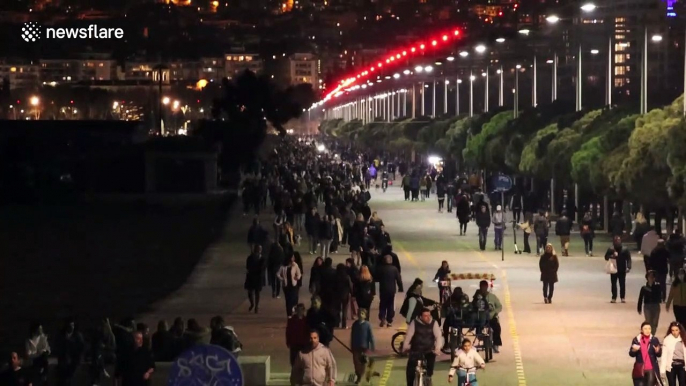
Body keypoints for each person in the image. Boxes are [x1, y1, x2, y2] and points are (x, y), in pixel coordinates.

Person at [403, 308, 443, 386]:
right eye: (425, 316)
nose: (428, 317)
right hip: (416, 350)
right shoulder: (414, 323)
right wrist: (405, 347)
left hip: (429, 350)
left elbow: (438, 336)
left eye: (429, 315)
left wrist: (438, 348)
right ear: (420, 317)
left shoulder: (434, 323)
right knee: (410, 370)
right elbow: (409, 336)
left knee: (430, 368)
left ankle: (428, 377)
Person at [474, 280, 503, 353]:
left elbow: (499, 307)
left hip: (491, 317)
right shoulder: (477, 296)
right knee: (477, 325)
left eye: (484, 287)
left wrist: (494, 312)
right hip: (480, 317)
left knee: (497, 327)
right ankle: (480, 337)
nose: (483, 289)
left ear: (487, 287)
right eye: (481, 287)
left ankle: (496, 344)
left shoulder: (492, 297)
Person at [629, 322, 661, 386]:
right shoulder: (636, 340)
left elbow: (659, 355)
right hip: (640, 369)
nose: (647, 330)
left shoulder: (654, 340)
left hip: (651, 369)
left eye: (649, 328)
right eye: (645, 329)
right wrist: (634, 350)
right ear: (641, 330)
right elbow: (631, 354)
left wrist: (657, 351)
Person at [55, 318, 85, 386]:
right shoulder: (61, 335)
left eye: (73, 325)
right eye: (70, 325)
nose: (71, 327)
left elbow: (81, 348)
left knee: (70, 377)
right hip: (64, 360)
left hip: (74, 361)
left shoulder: (78, 335)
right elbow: (58, 347)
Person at [376, 255, 403, 328]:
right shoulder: (394, 269)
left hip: (383, 289)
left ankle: (382, 317)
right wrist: (400, 287)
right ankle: (389, 320)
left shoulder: (381, 269)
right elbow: (398, 279)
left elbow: (376, 278)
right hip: (391, 290)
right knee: (390, 305)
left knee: (382, 304)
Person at [351, 309, 375, 384]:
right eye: (359, 313)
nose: (360, 314)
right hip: (356, 347)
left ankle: (360, 376)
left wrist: (372, 347)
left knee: (363, 363)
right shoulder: (355, 324)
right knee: (356, 363)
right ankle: (358, 374)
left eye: (362, 313)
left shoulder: (367, 325)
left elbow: (371, 337)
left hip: (364, 347)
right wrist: (352, 345)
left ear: (365, 316)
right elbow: (352, 335)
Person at [605, 235, 632, 303]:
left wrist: (628, 267)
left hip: (622, 268)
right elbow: (606, 257)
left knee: (622, 284)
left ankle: (622, 297)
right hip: (613, 268)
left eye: (618, 241)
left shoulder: (625, 249)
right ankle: (614, 297)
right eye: (616, 241)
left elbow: (628, 259)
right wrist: (612, 256)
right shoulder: (611, 249)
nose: (617, 242)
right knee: (613, 284)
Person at [660, 321, 686, 386]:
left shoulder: (684, 339)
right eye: (673, 330)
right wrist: (662, 370)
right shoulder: (667, 340)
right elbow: (664, 356)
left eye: (676, 330)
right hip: (671, 367)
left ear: (680, 330)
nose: (675, 332)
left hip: (682, 366)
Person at [245, 244, 265, 313]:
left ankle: (255, 305)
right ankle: (254, 304)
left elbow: (247, 267)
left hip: (255, 276)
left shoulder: (259, 258)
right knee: (253, 292)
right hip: (254, 276)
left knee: (254, 292)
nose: (260, 250)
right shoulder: (253, 258)